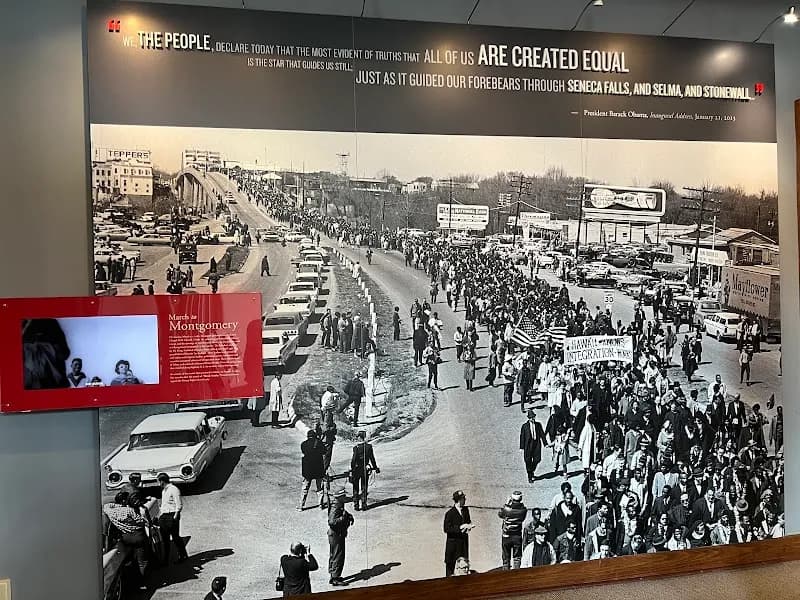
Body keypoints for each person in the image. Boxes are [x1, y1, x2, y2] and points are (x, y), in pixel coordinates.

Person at [103, 492, 149, 585]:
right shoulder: (129, 510)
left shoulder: (110, 511)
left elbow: (106, 506)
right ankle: (142, 583)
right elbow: (141, 521)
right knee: (142, 561)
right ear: (124, 501)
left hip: (125, 538)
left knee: (130, 560)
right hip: (137, 536)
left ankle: (131, 580)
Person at [157, 473, 188, 564]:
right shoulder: (164, 491)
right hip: (164, 516)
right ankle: (166, 559)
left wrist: (175, 515)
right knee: (165, 540)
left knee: (175, 537)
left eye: (158, 481)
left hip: (172, 515)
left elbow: (178, 504)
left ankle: (183, 555)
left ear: (162, 481)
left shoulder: (173, 489)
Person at [327, 487, 354, 586]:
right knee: (338, 555)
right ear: (340, 496)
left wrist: (349, 515)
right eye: (344, 496)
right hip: (336, 534)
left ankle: (334, 575)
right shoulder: (336, 506)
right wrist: (344, 518)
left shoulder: (338, 503)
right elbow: (332, 522)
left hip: (336, 533)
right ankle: (335, 578)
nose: (345, 497)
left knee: (334, 554)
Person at [443, 490, 473, 576]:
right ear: (459, 500)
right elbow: (446, 528)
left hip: (463, 543)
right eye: (464, 498)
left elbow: (468, 521)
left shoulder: (466, 510)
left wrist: (469, 526)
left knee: (464, 566)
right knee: (450, 569)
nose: (465, 500)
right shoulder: (450, 513)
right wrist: (460, 527)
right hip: (453, 545)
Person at [350, 430, 379, 511]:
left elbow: (353, 460)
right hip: (365, 469)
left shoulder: (356, 448)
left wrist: (352, 469)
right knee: (364, 487)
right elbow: (372, 458)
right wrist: (375, 467)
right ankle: (364, 504)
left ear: (359, 437)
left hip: (357, 469)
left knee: (355, 487)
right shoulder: (369, 447)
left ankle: (356, 505)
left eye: (357, 437)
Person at [498, 491, 527, 569]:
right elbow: (523, 519)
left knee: (506, 558)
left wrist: (507, 503)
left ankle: (505, 575)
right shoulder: (523, 510)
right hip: (517, 536)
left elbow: (500, 514)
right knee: (517, 558)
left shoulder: (507, 509)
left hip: (506, 536)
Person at [298, 430, 326, 511]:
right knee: (320, 488)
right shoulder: (319, 443)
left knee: (305, 488)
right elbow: (324, 451)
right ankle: (321, 505)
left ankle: (301, 506)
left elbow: (303, 452)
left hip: (308, 470)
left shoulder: (303, 444)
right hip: (318, 469)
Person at [519, 409, 546, 484]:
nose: (532, 419)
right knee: (528, 460)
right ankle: (530, 476)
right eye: (531, 418)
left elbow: (542, 434)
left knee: (537, 459)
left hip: (536, 444)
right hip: (528, 445)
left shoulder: (538, 425)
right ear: (528, 418)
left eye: (533, 417)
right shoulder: (524, 426)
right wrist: (521, 447)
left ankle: (532, 470)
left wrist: (545, 443)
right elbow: (522, 436)